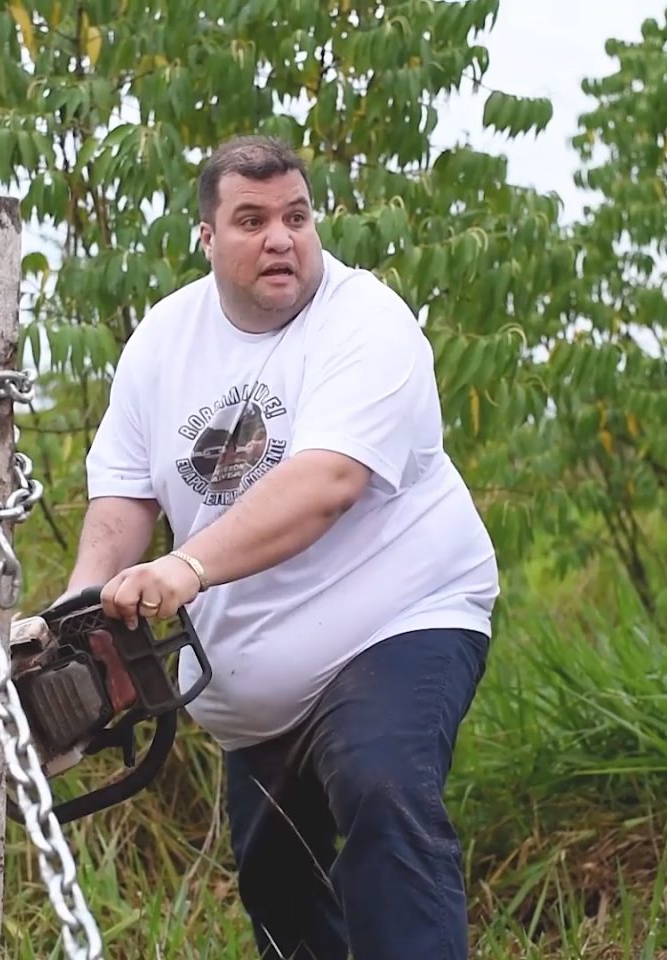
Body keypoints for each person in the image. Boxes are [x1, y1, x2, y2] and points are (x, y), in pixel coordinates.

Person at [60, 134, 500, 959]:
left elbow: (326, 483)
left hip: (398, 617)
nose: (280, 238)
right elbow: (123, 501)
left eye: (296, 216)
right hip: (250, 687)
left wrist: (183, 568)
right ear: (206, 237)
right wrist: (81, 611)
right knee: (278, 885)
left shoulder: (366, 319)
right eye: (252, 219)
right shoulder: (162, 341)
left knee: (380, 786)